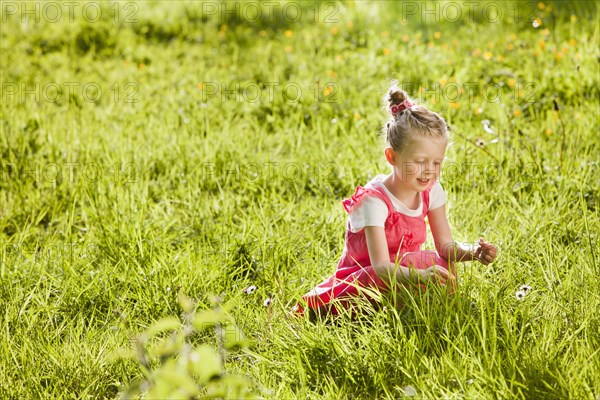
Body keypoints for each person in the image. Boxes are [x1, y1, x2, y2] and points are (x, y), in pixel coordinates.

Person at [291, 81, 497, 319]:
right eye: (420, 162)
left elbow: (446, 247)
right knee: (416, 267)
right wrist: (420, 276)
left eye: (437, 163)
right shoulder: (374, 201)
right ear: (392, 157)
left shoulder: (431, 191)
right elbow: (380, 267)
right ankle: (374, 313)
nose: (429, 171)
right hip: (365, 281)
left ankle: (425, 311)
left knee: (439, 260)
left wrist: (473, 252)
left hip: (403, 272)